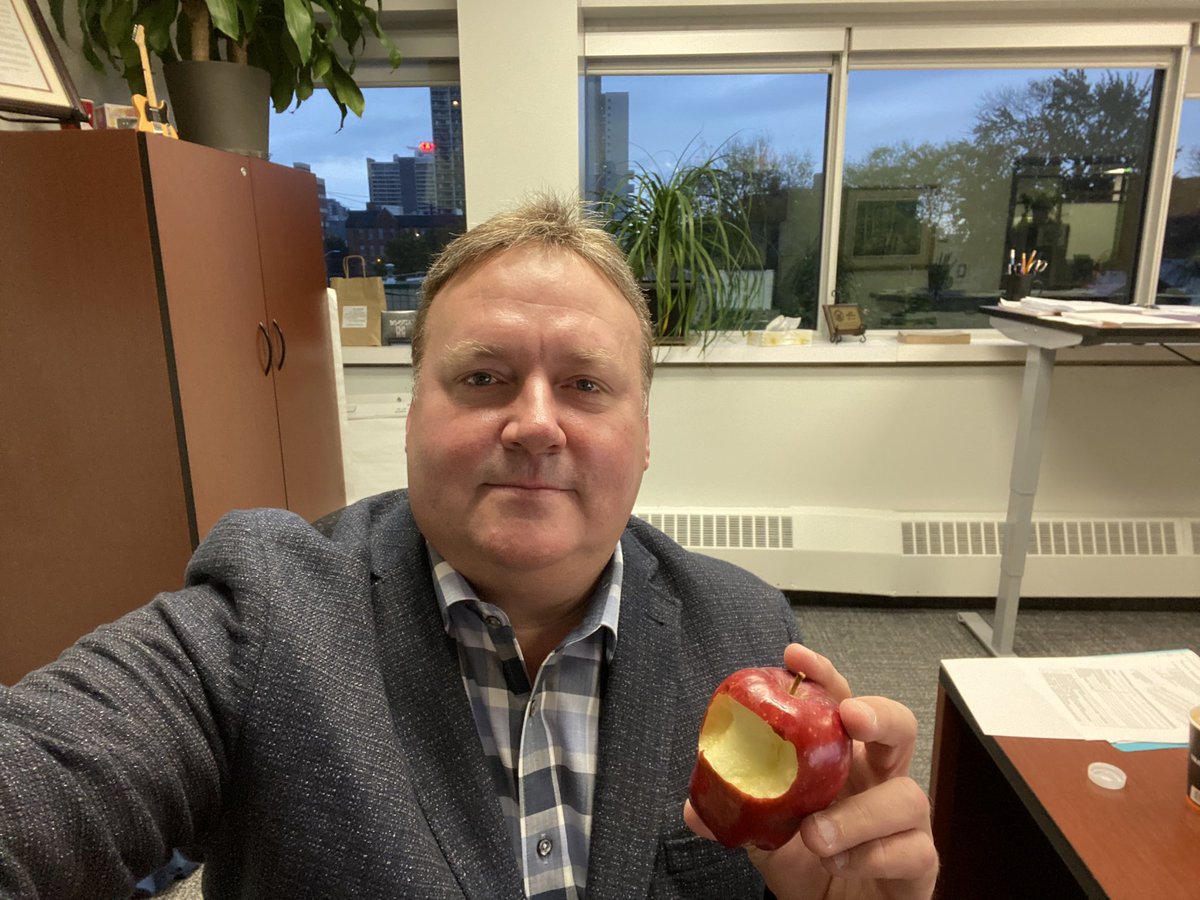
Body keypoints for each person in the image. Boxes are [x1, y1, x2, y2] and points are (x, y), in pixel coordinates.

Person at [0, 196, 937, 899]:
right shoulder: (265, 614)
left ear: (645, 435)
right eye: (483, 377)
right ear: (411, 418)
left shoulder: (743, 626)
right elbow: (43, 779)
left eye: (585, 385)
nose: (534, 424)